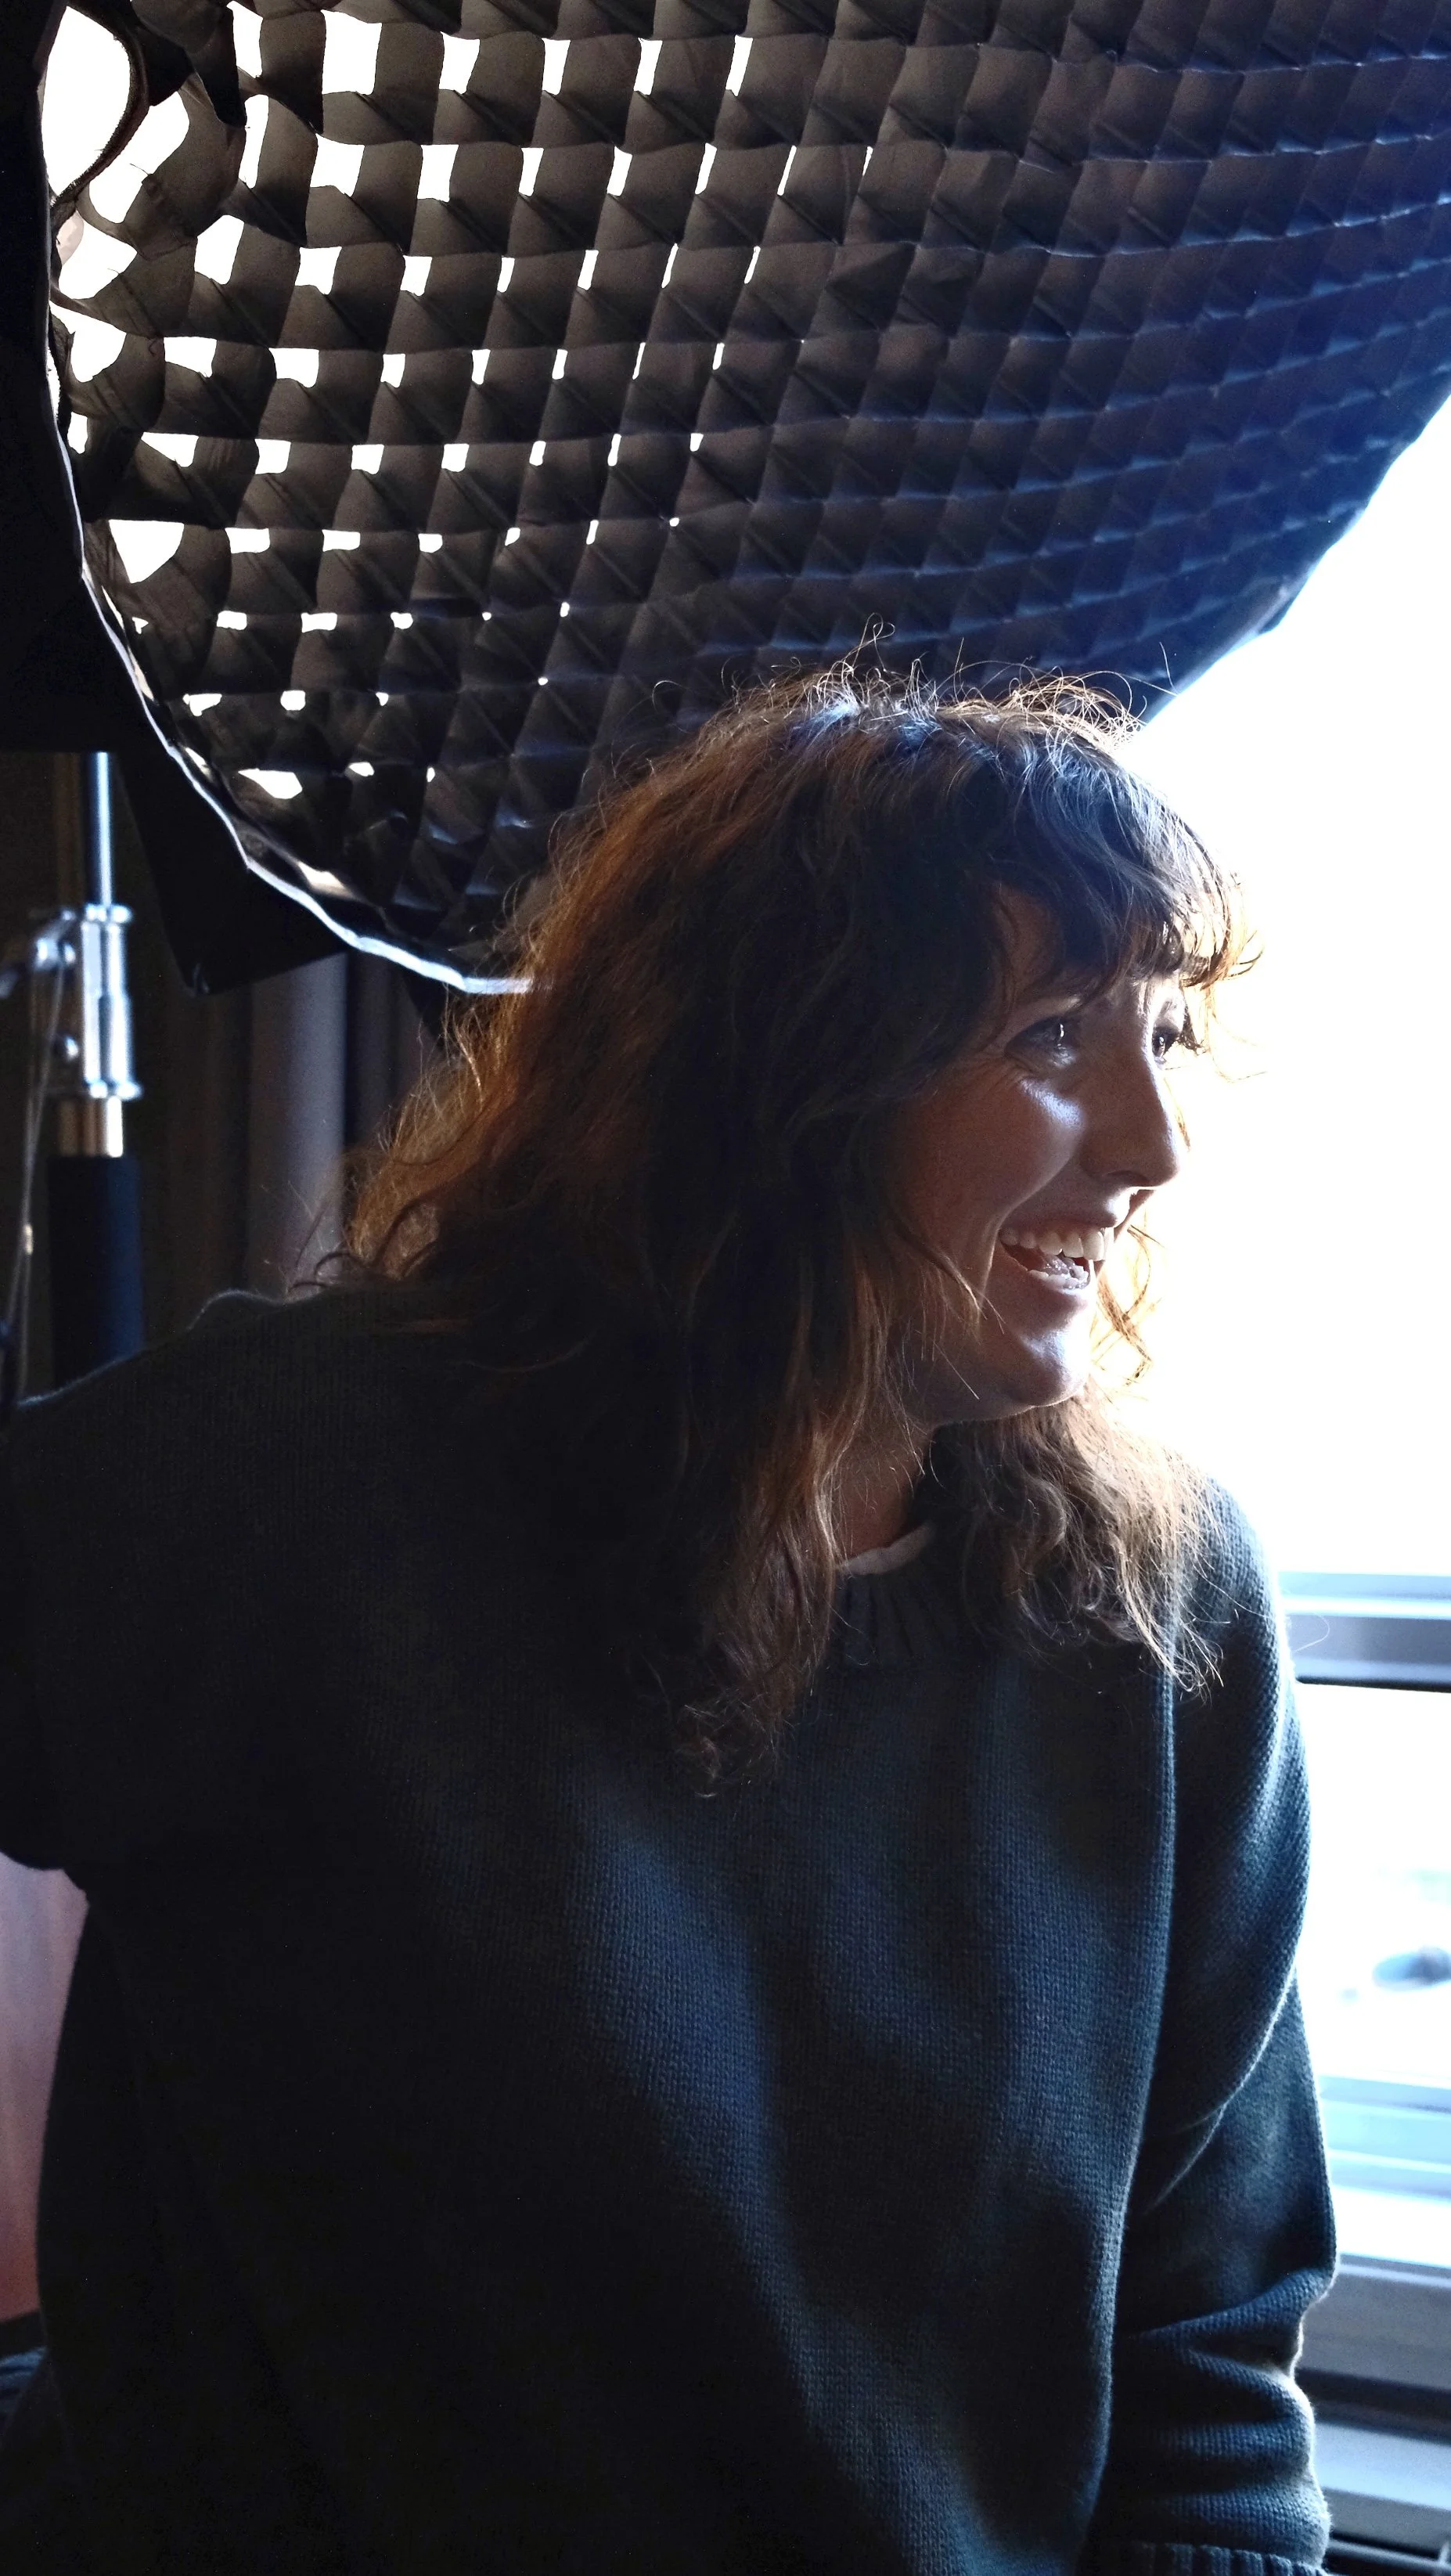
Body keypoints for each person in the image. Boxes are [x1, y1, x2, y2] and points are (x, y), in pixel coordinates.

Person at [0, 665, 1336, 2575]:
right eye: (1052, 1032)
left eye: (1165, 1034)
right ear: (778, 1083)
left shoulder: (1166, 1611)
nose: (1151, 1144)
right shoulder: (295, 1489)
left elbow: (1207, 2356)